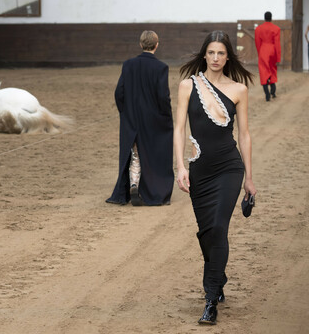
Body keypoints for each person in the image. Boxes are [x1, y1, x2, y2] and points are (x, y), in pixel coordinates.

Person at [174, 30, 257, 325]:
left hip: (228, 169)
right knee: (207, 232)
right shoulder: (187, 86)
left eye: (221, 53)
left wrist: (249, 177)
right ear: (204, 54)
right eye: (211, 53)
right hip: (200, 170)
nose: (216, 58)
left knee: (219, 227)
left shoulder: (239, 90)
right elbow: (179, 129)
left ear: (228, 56)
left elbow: (244, 135)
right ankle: (218, 274)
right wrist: (180, 167)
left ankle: (211, 299)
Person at [105, 30, 174, 206]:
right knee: (152, 153)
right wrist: (166, 116)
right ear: (157, 45)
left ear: (140, 44)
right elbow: (163, 96)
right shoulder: (161, 67)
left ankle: (134, 183)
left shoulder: (128, 65)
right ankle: (152, 192)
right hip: (153, 119)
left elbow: (119, 92)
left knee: (135, 153)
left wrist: (125, 112)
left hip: (132, 118)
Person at [254, 11, 280, 101]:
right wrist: (278, 57)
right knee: (272, 70)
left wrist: (260, 53)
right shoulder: (276, 29)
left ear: (264, 18)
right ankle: (273, 91)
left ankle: (267, 95)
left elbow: (257, 42)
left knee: (263, 72)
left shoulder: (258, 29)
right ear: (271, 18)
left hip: (263, 50)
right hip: (272, 50)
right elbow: (277, 44)